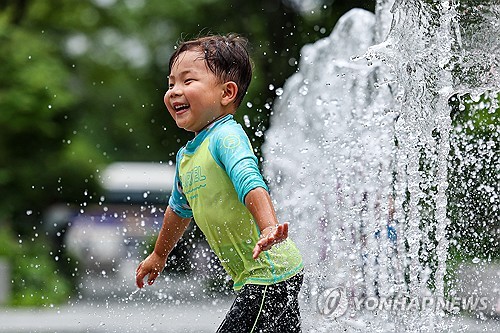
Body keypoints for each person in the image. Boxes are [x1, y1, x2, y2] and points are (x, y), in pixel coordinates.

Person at [135, 33, 304, 332]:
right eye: (171, 82)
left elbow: (251, 182)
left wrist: (268, 227)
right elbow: (178, 210)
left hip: (269, 272)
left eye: (188, 81)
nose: (175, 91)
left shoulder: (226, 137)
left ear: (226, 93)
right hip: (261, 274)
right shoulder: (187, 157)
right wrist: (159, 254)